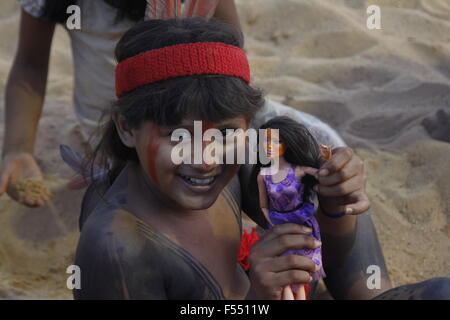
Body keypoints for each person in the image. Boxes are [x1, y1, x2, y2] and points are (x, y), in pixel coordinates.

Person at [73, 17, 450, 300]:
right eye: (177, 136)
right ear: (125, 127)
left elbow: (326, 258)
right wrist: (258, 298)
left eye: (224, 133)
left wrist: (334, 207)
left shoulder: (234, 168)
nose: (205, 160)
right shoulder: (117, 246)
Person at [0, 0, 242, 207]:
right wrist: (18, 150)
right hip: (107, 138)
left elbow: (233, 61)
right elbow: (30, 65)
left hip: (195, 125)